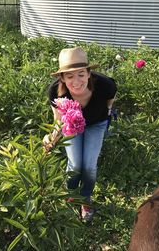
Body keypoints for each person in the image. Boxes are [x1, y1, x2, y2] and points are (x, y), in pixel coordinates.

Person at [43, 47, 117, 222]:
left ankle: (85, 198)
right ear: (62, 78)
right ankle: (70, 195)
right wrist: (50, 138)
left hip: (96, 124)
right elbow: (58, 121)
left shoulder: (106, 85)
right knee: (75, 164)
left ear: (89, 73)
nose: (76, 81)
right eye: (69, 76)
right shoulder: (55, 92)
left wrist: (106, 115)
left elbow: (109, 103)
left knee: (89, 165)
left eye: (81, 74)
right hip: (71, 126)